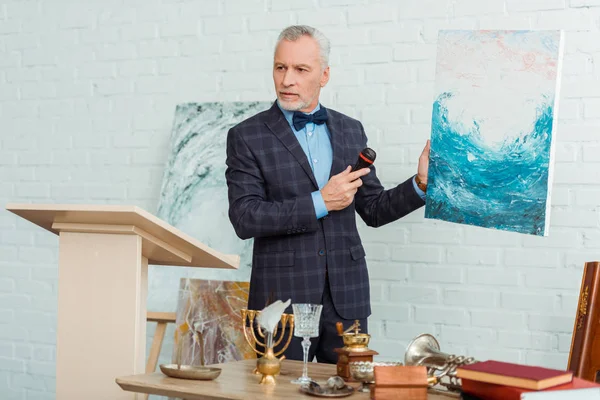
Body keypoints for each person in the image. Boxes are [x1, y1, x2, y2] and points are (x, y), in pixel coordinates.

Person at [225, 25, 430, 364]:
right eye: (280, 67)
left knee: (349, 390)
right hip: (282, 304)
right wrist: (321, 202)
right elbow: (245, 217)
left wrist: (420, 184)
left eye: (300, 69)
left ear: (324, 75)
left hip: (347, 300)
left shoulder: (351, 129)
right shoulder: (246, 136)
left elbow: (374, 210)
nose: (287, 80)